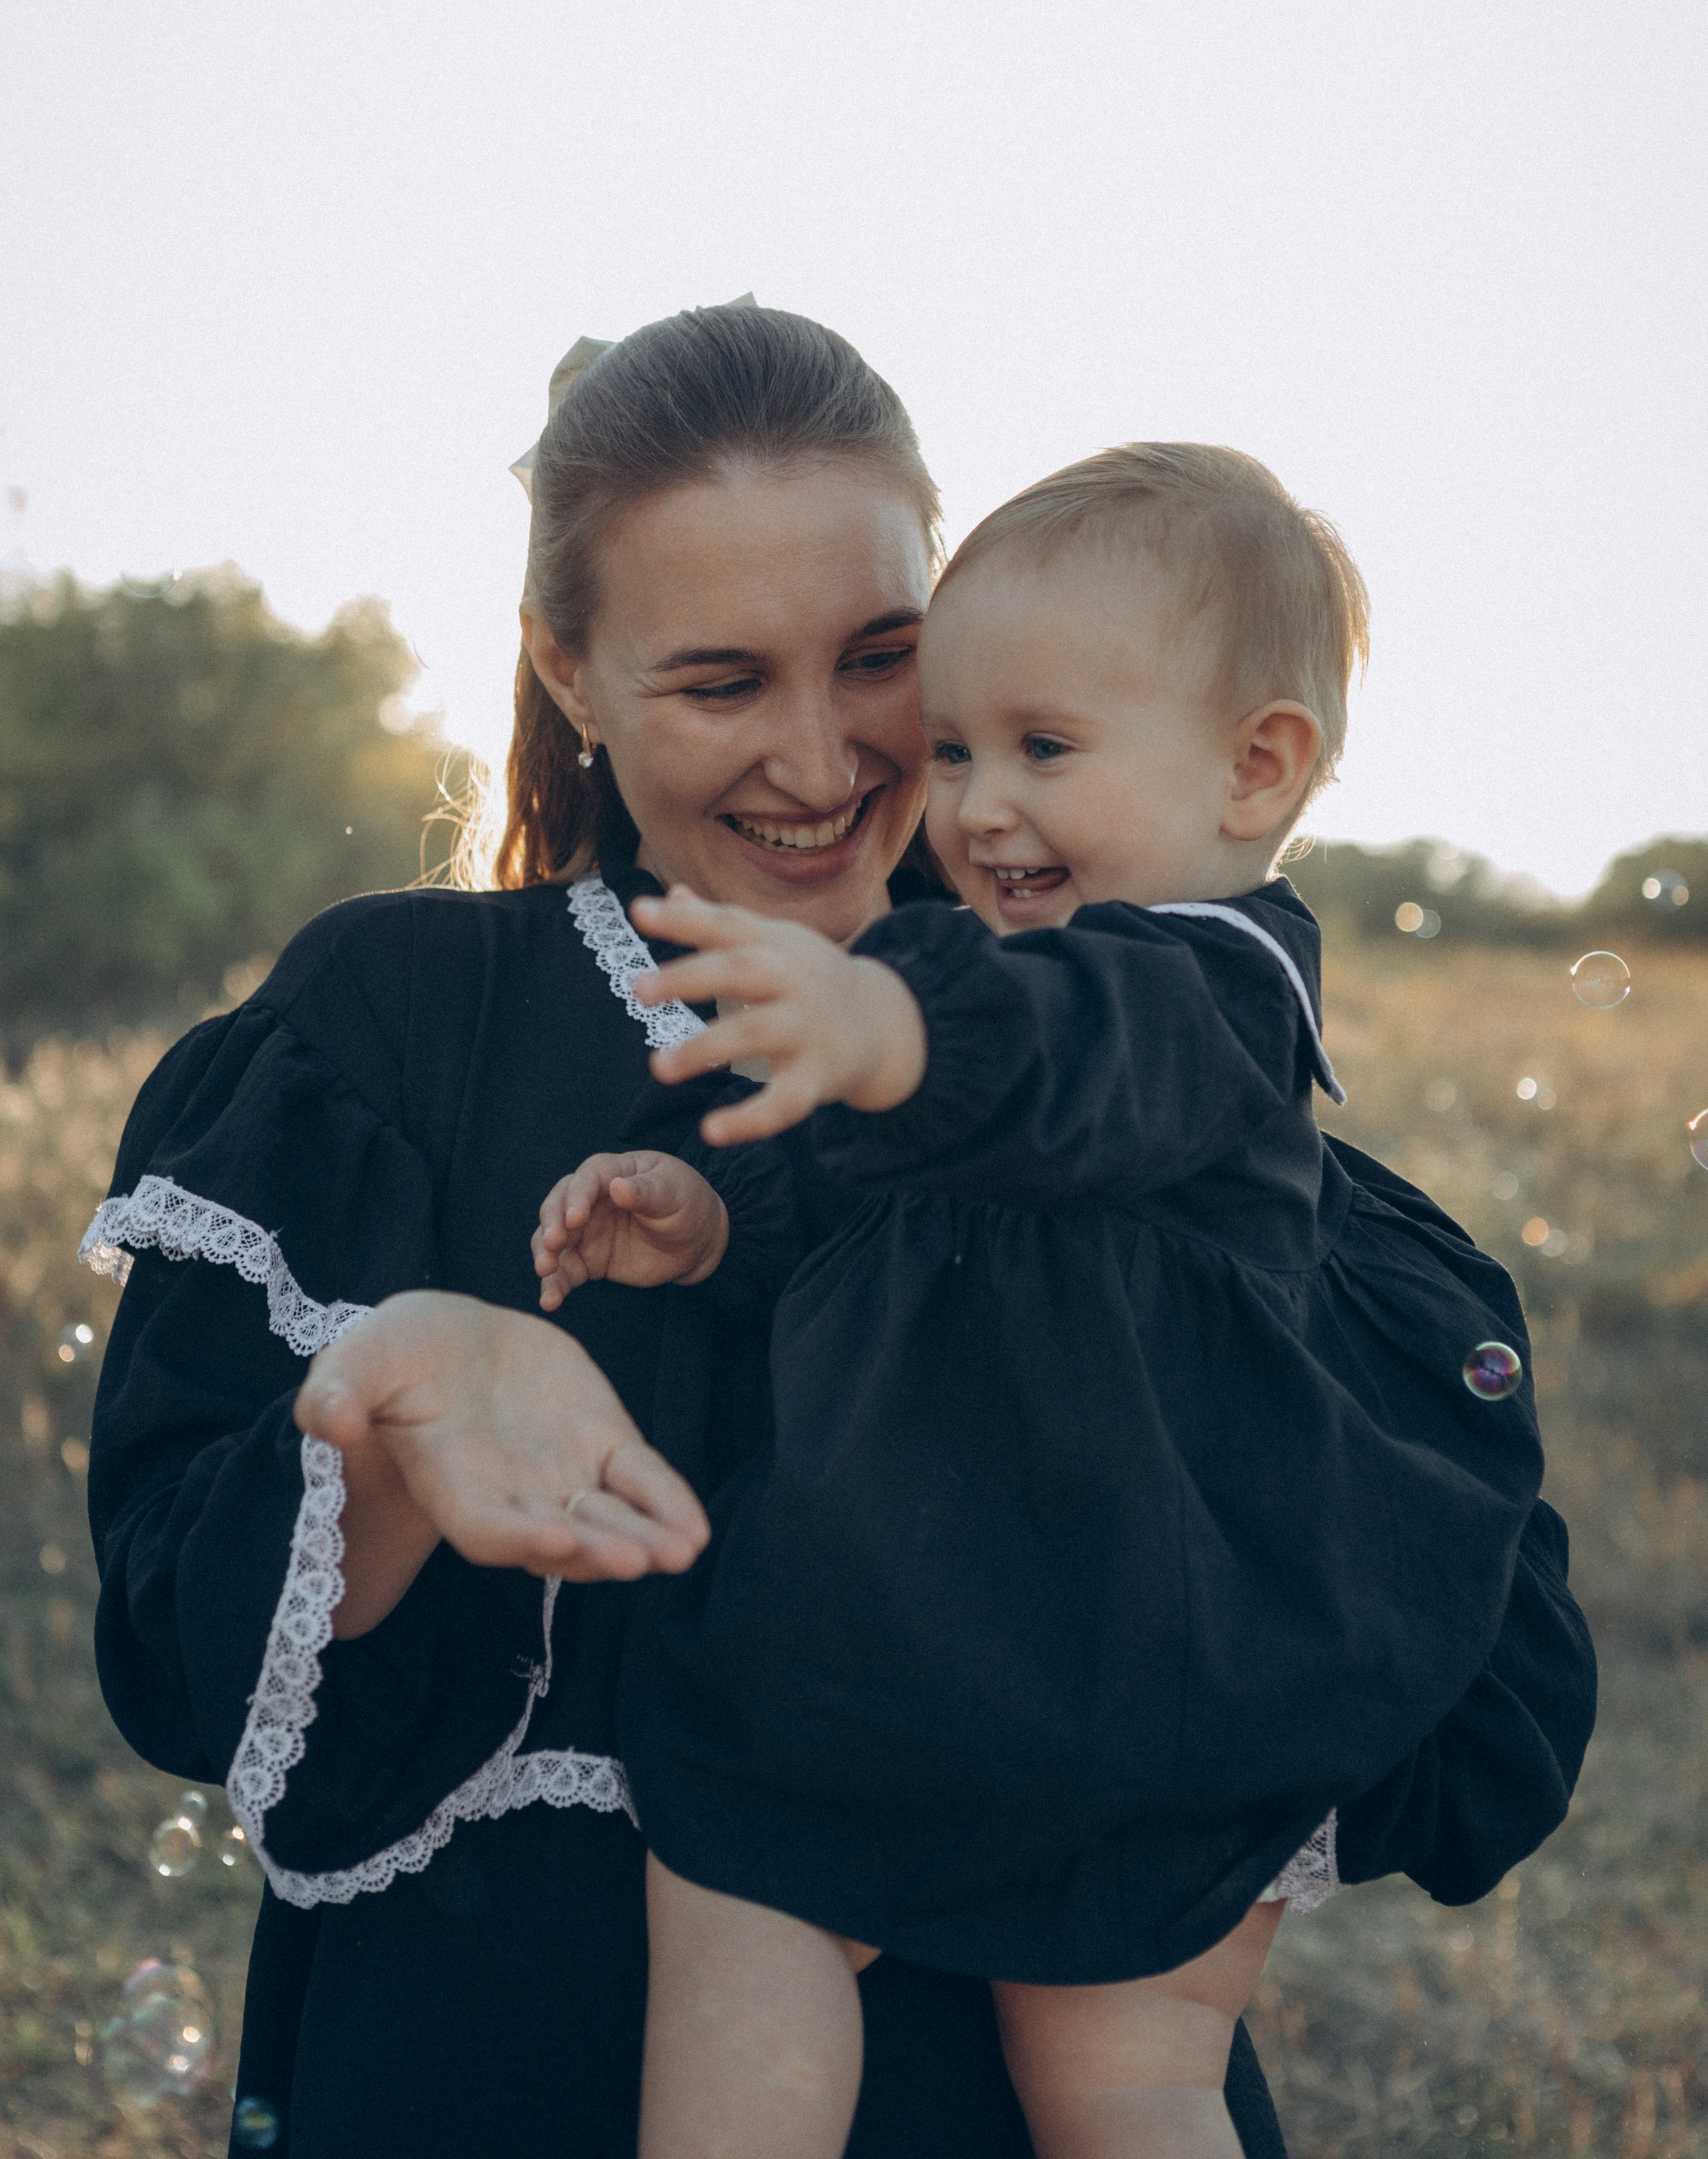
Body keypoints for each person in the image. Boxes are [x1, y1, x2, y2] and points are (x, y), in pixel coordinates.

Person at [81, 307, 1312, 2158]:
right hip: (494, 2040)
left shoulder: (1094, 1014)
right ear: (567, 673)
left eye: (878, 659)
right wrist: (400, 1438)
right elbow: (178, 1653)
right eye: (721, 683)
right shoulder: (395, 1019)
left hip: (1002, 2028)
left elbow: (1348, 1459)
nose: (821, 763)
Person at [531, 444, 1599, 2159]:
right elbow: (855, 1199)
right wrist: (713, 1218)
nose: (975, 805)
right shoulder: (976, 978)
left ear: (1257, 770)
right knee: (807, 1936)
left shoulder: (1217, 982)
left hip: (1053, 1642)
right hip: (988, 1639)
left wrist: (893, 1034)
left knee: (871, 1930)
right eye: (951, 749)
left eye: (1043, 748)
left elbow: (1071, 1069)